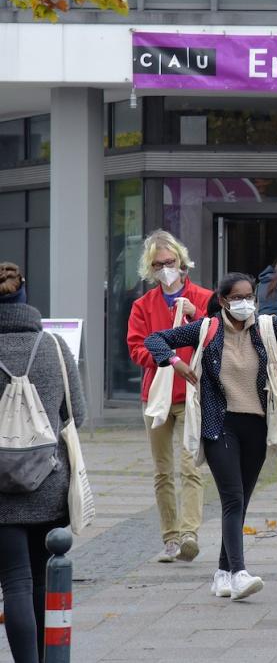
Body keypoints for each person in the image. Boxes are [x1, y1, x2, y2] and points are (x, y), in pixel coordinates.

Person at [144, 272, 277, 601]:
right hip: (219, 425)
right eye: (237, 297)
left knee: (240, 502)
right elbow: (155, 340)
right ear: (223, 300)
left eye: (250, 296)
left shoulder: (265, 326)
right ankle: (238, 572)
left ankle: (222, 573)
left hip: (256, 427)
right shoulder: (207, 328)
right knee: (233, 498)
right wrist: (175, 362)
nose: (245, 303)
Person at [0, 263, 87, 663]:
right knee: (38, 580)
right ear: (25, 293)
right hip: (48, 479)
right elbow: (77, 415)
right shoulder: (53, 346)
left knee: (14, 581)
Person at [126, 230, 213, 563]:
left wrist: (195, 314)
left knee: (191, 466)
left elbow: (216, 335)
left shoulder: (202, 297)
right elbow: (136, 347)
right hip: (158, 395)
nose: (166, 268)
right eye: (159, 264)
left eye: (171, 262)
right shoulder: (143, 305)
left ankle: (189, 532)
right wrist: (167, 359)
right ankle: (170, 538)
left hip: (192, 392)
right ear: (150, 268)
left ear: (182, 261)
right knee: (162, 470)